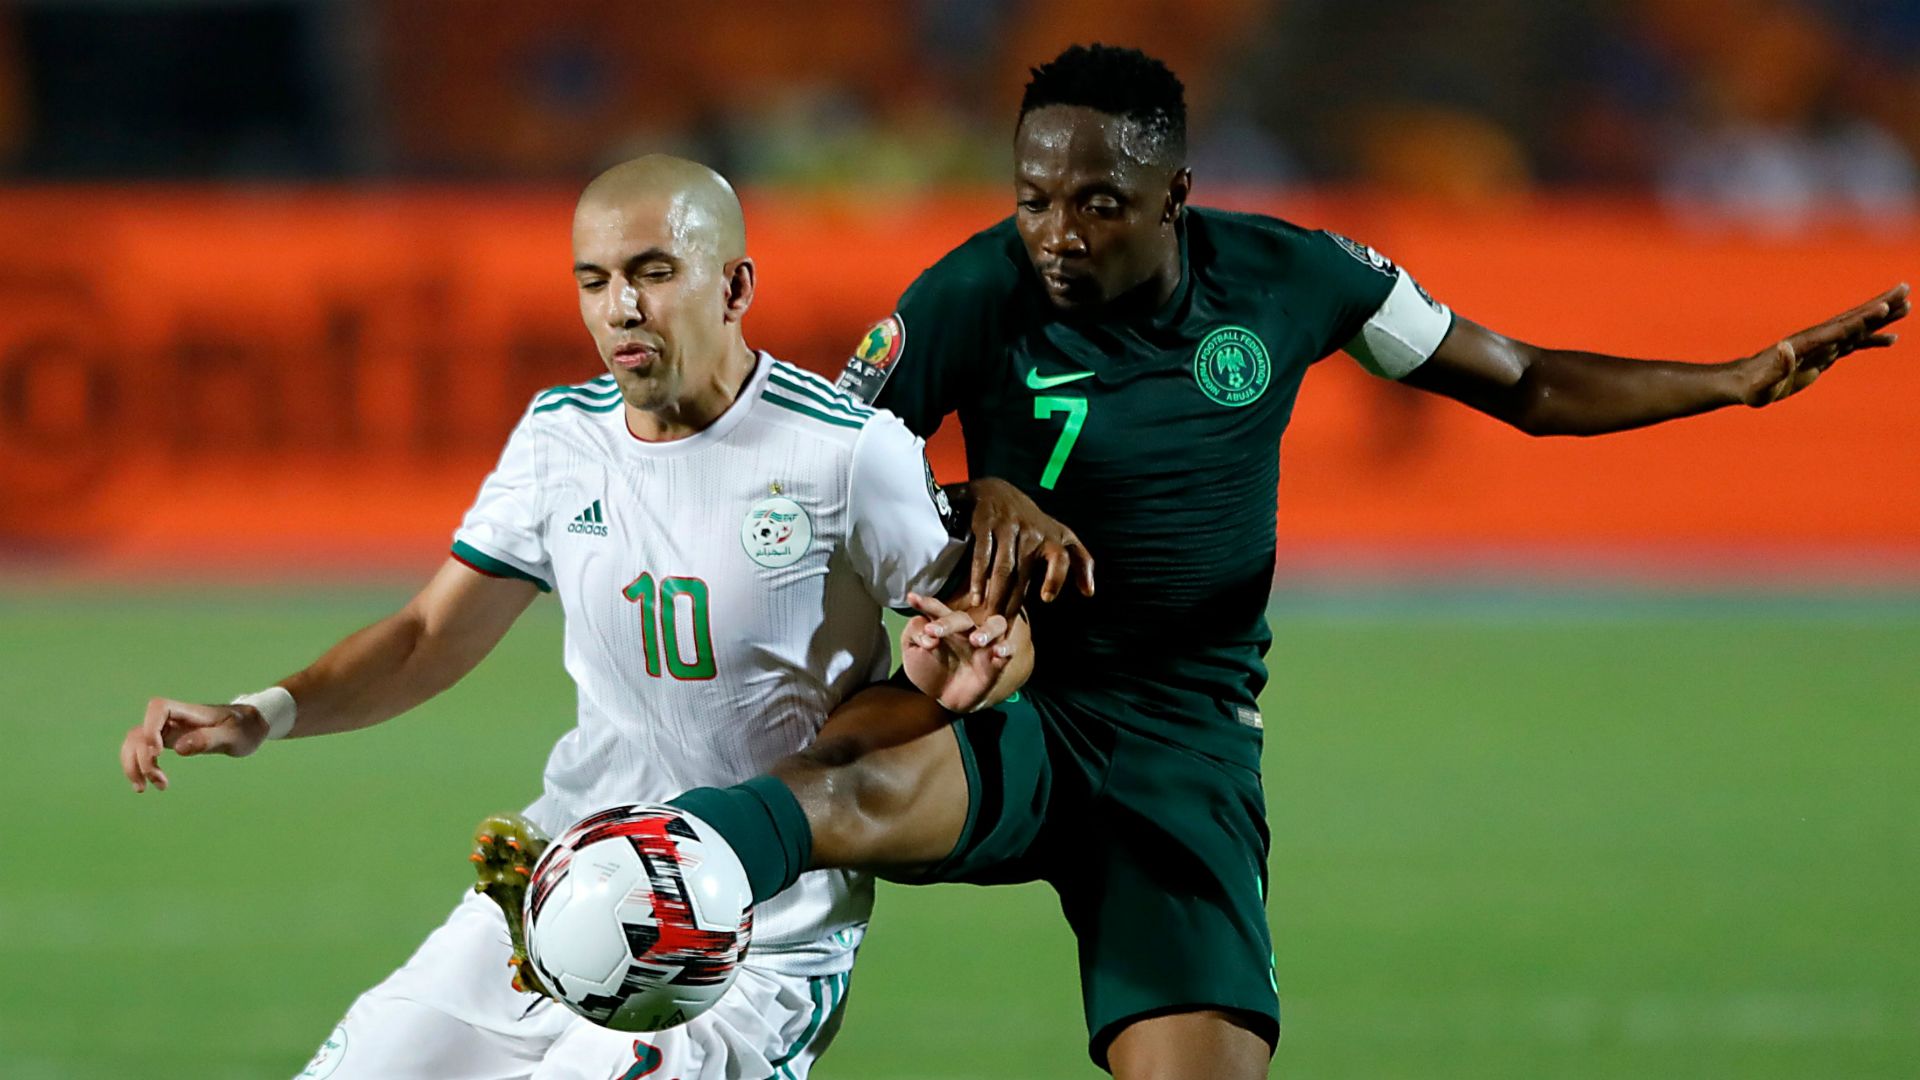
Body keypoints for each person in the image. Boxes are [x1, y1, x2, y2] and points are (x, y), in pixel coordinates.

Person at [603, 44, 1910, 1080]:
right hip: (1017, 693)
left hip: (1187, 746)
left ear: (1176, 197)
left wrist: (1731, 380)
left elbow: (1523, 382)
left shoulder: (1295, 278)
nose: (1057, 233)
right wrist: (966, 502)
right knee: (850, 778)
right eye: (1035, 199)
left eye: (1098, 204)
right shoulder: (970, 293)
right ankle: (627, 882)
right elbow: (801, 475)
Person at [115, 154, 1027, 1080]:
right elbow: (428, 635)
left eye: (653, 272)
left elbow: (987, 638)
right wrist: (261, 713)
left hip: (746, 937)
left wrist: (974, 663)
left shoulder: (846, 451)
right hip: (561, 887)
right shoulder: (561, 436)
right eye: (595, 281)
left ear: (735, 287)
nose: (621, 308)